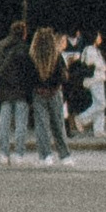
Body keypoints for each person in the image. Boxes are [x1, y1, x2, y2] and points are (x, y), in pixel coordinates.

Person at [0, 24, 35, 164]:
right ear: (24, 34)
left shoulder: (2, 47)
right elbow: (29, 71)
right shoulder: (25, 49)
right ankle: (19, 154)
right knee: (21, 124)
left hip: (4, 90)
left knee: (4, 122)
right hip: (20, 90)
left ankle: (4, 154)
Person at [27, 22, 71, 166]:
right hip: (54, 93)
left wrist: (36, 89)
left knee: (42, 125)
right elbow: (63, 76)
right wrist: (55, 87)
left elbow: (28, 77)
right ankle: (64, 155)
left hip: (38, 93)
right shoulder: (56, 56)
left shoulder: (32, 57)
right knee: (58, 125)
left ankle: (46, 156)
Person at [75, 31, 106, 141]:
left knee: (98, 103)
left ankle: (99, 129)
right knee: (101, 103)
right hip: (94, 80)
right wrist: (103, 66)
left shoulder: (95, 50)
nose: (100, 37)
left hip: (98, 79)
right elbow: (98, 65)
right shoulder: (90, 50)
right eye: (98, 36)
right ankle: (81, 118)